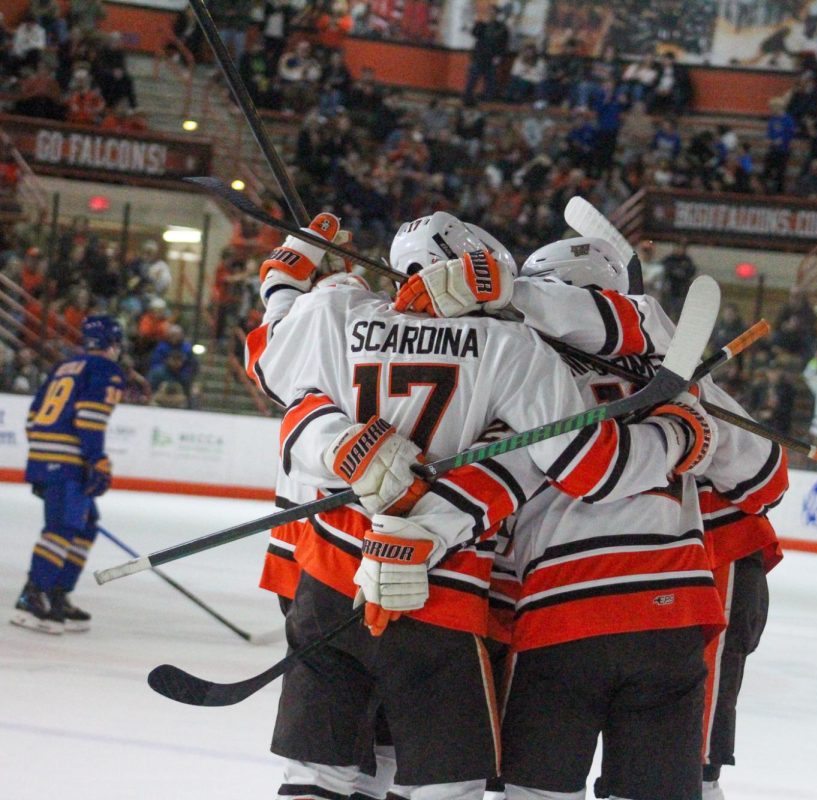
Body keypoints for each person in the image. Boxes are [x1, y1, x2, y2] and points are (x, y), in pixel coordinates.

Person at [251, 212, 710, 800]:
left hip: (329, 579)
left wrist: (284, 291)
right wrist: (680, 435)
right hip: (445, 594)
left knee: (319, 775)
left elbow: (271, 371)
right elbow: (587, 467)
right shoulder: (511, 346)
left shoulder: (336, 312)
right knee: (449, 783)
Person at [12, 315, 123, 634]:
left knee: (86, 526)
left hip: (49, 457)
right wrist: (96, 459)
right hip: (69, 461)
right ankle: (32, 597)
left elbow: (33, 416)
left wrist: (42, 460)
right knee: (63, 527)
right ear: (114, 344)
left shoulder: (64, 366)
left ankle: (57, 594)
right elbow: (89, 418)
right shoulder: (105, 370)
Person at [463, 5, 509, 105]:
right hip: (479, 56)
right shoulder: (481, 24)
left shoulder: (502, 28)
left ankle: (487, 101)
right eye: (490, 12)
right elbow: (475, 33)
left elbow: (504, 44)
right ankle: (467, 99)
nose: (491, 14)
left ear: (497, 14)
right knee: (472, 79)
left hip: (492, 58)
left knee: (490, 82)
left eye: (493, 12)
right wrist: (482, 22)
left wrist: (499, 56)